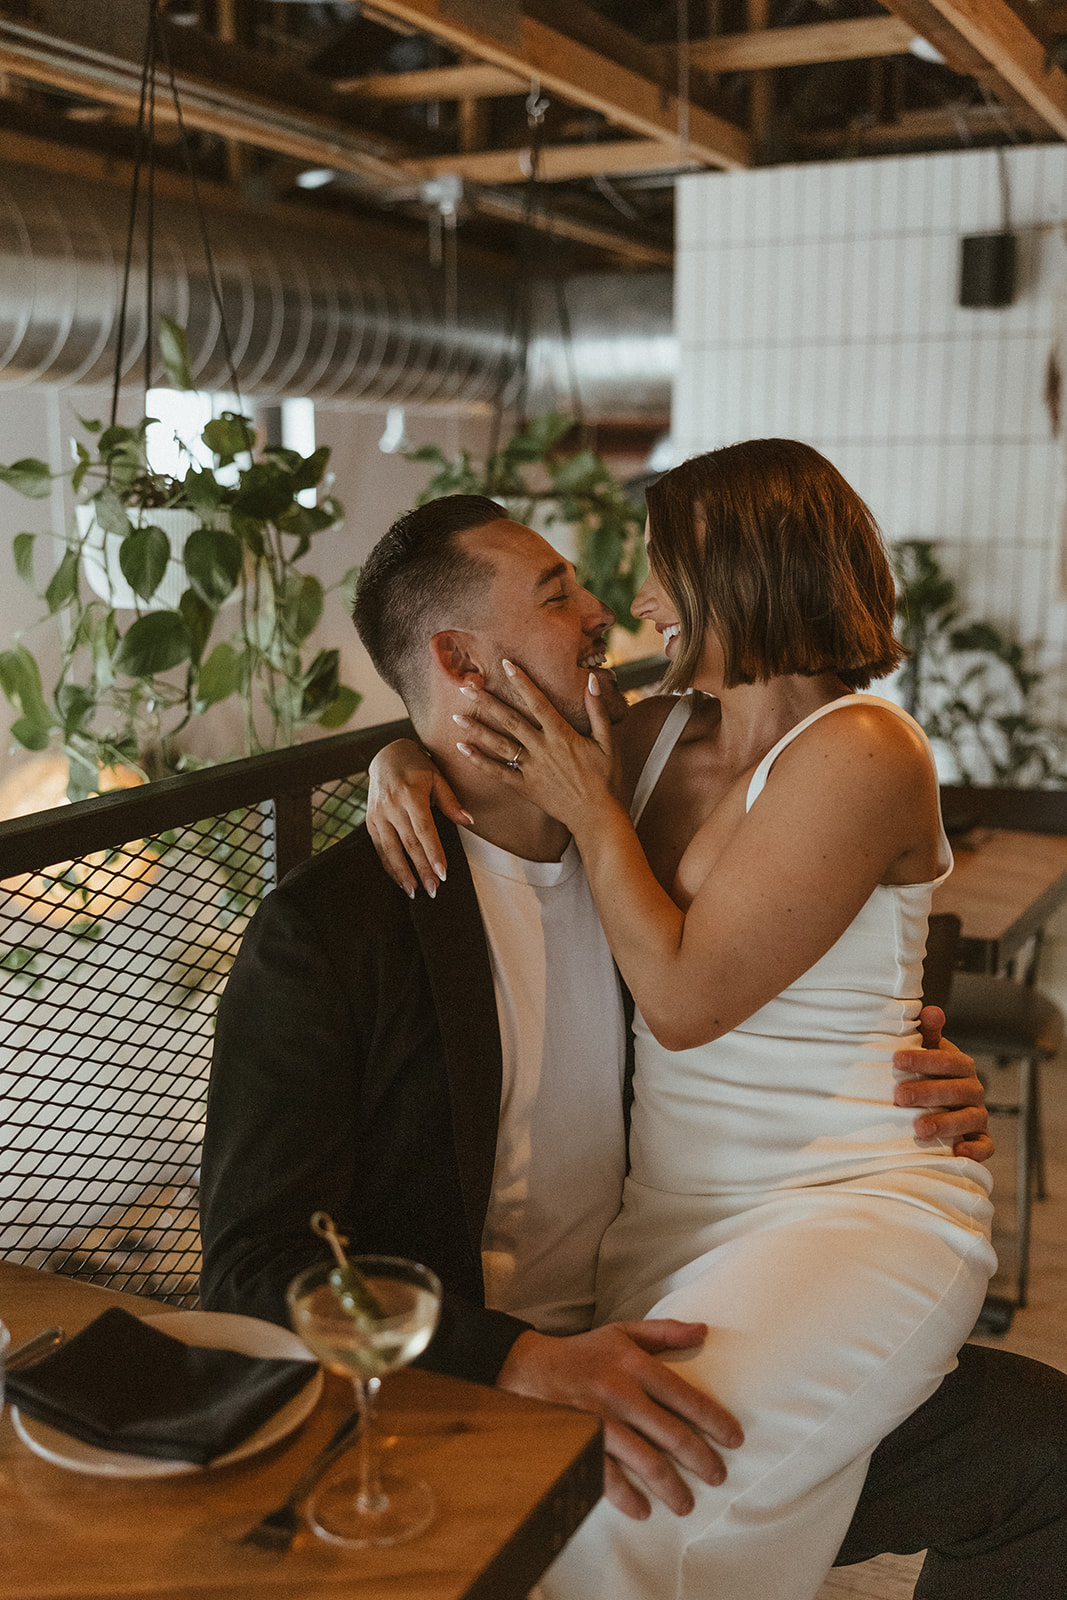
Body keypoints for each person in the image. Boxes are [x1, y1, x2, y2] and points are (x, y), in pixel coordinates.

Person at [199, 493, 1062, 1595]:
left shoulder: (639, 850)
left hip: (692, 1307)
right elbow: (252, 1265)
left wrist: (903, 1063)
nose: (606, 608)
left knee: (1045, 1453)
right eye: (558, 595)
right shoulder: (329, 932)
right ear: (462, 661)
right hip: (478, 1383)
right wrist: (517, 1357)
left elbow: (776, 973)